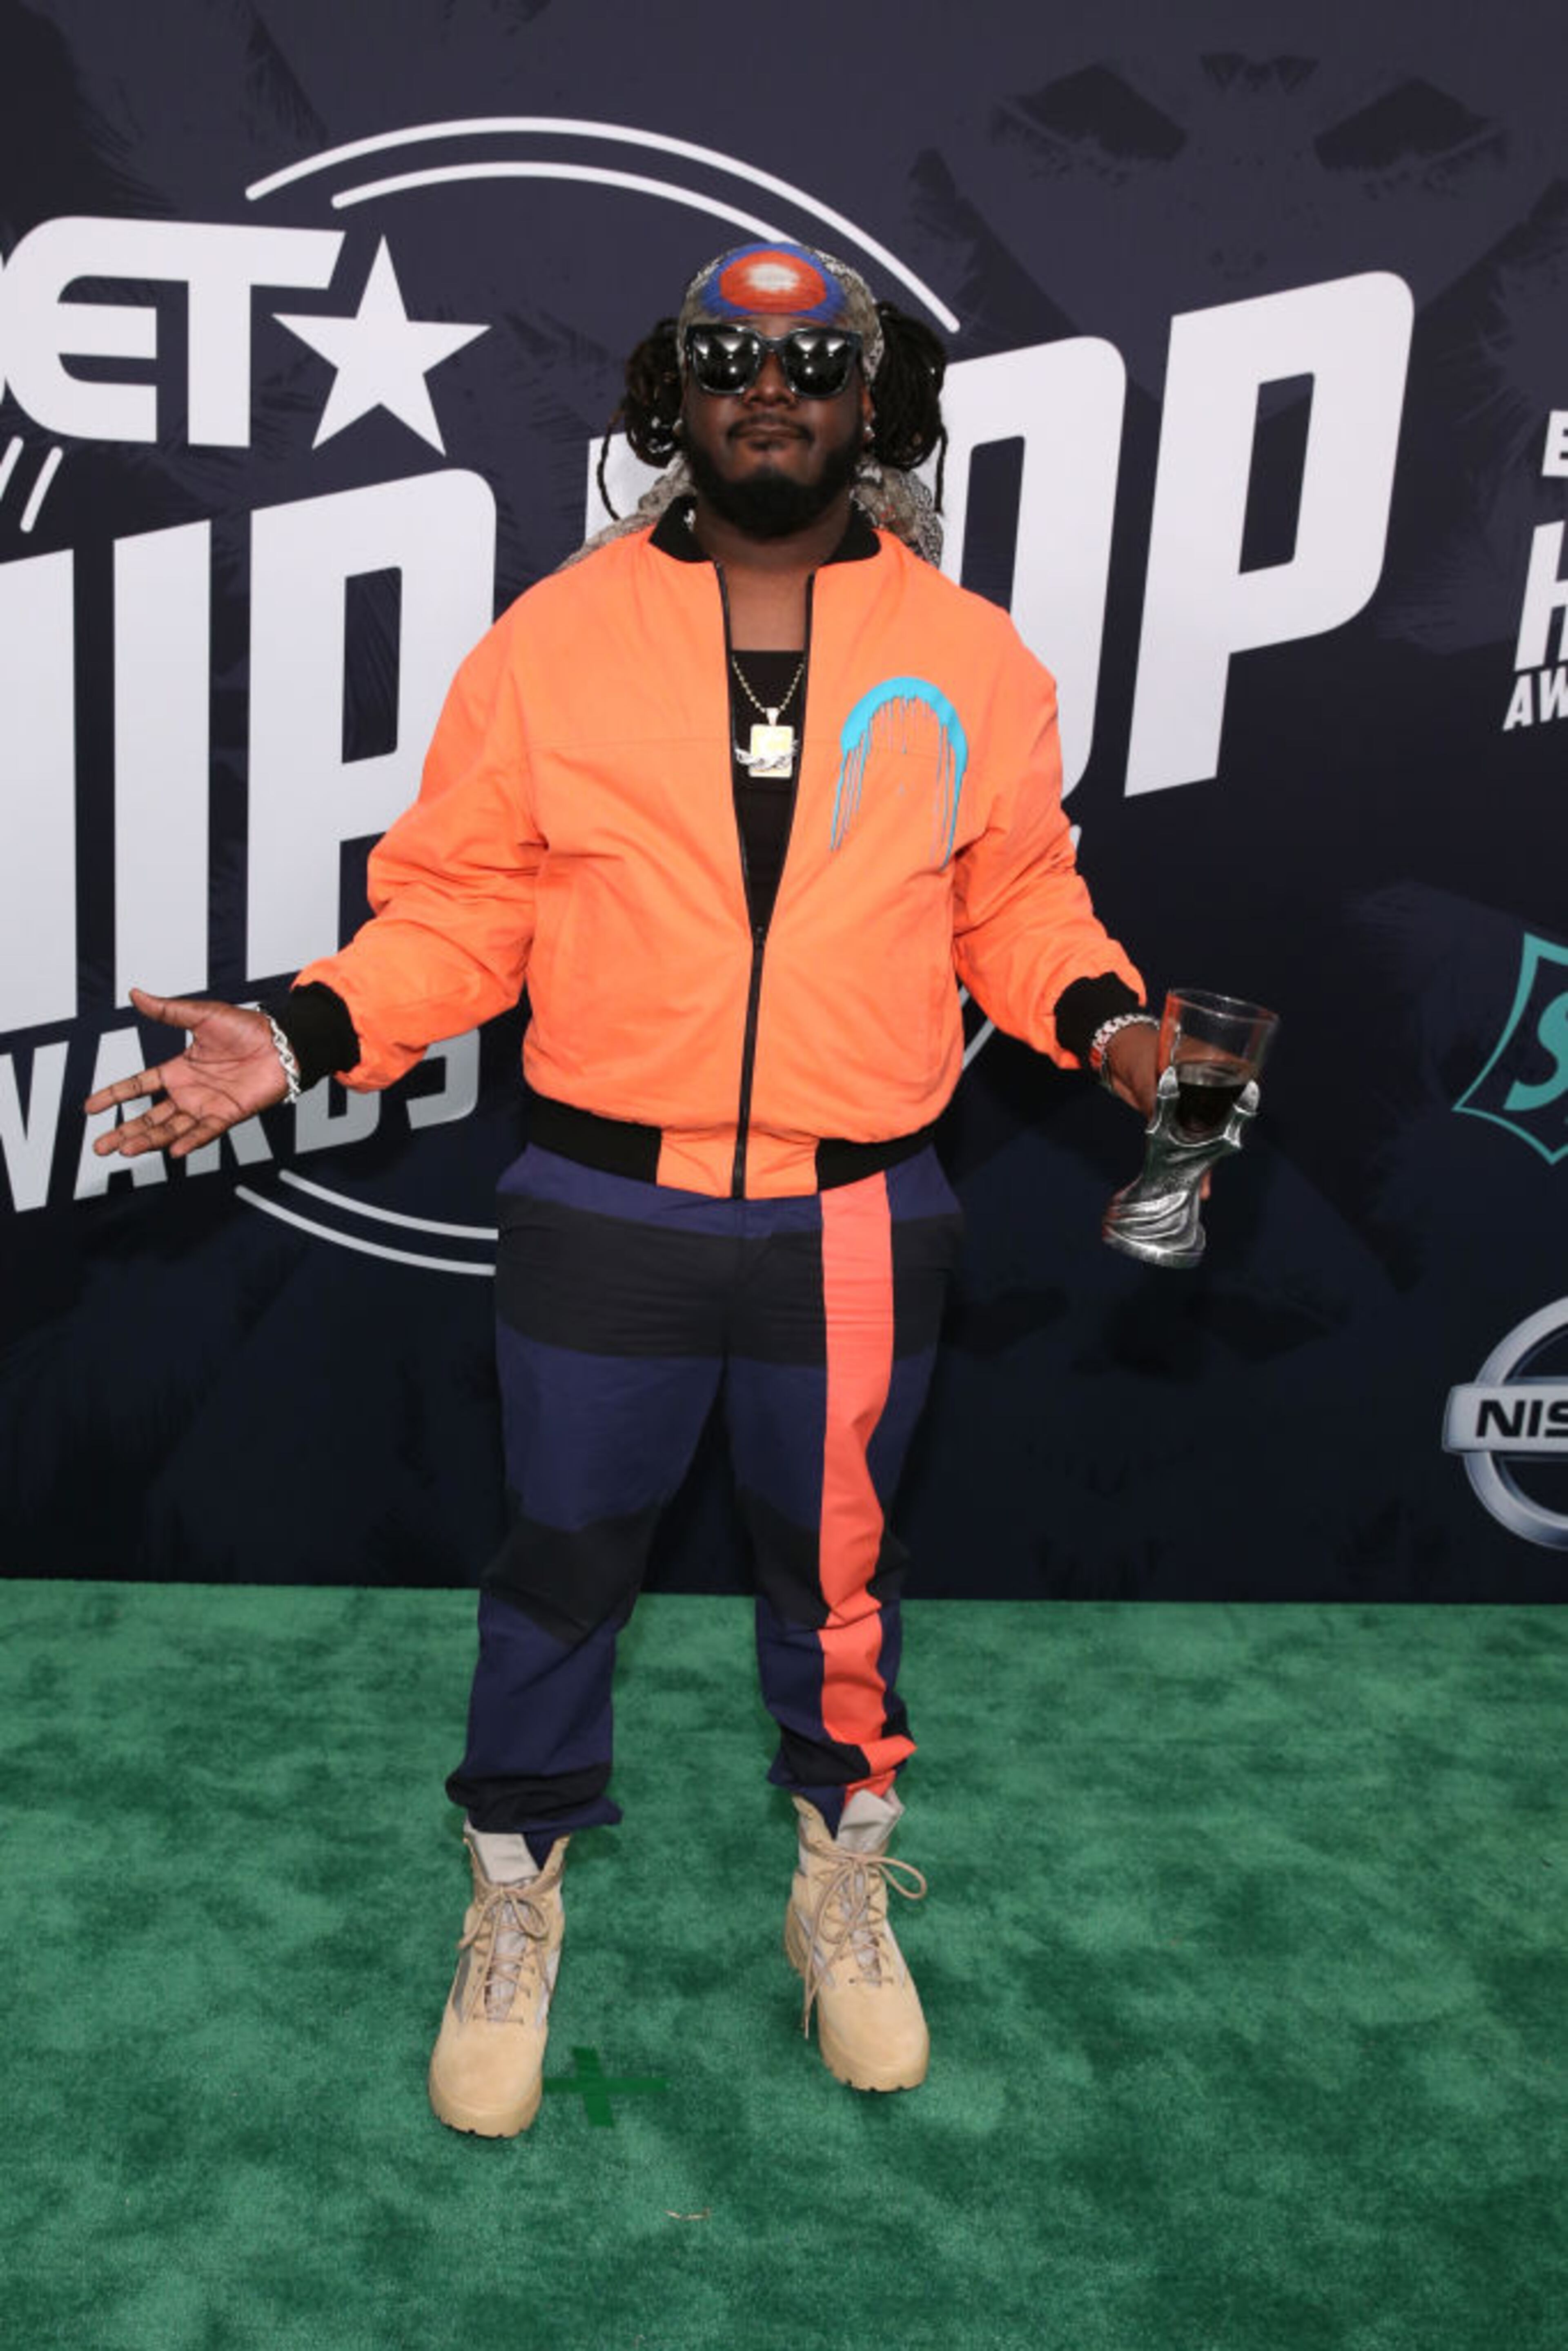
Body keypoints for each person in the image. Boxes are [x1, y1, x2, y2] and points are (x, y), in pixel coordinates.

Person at [86, 240, 1160, 2138]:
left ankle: (838, 1881)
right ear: (678, 397)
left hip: (854, 1209)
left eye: (812, 367)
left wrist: (1119, 1031)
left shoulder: (971, 655)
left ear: (871, 406)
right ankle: (514, 1891)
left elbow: (1017, 902)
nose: (773, 394)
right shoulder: (554, 640)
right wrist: (302, 1035)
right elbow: (461, 915)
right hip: (607, 1202)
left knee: (833, 1575)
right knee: (562, 1561)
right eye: (731, 363)